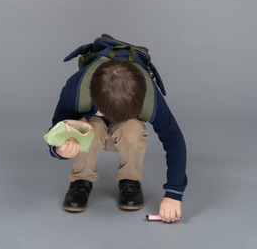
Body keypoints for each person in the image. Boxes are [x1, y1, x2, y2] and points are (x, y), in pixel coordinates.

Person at [48, 57, 187, 223]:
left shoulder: (150, 97)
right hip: (93, 128)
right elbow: (56, 130)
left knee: (131, 128)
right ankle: (81, 180)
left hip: (126, 133)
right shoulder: (75, 89)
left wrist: (173, 194)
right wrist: (59, 150)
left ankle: (130, 180)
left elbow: (175, 141)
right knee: (94, 126)